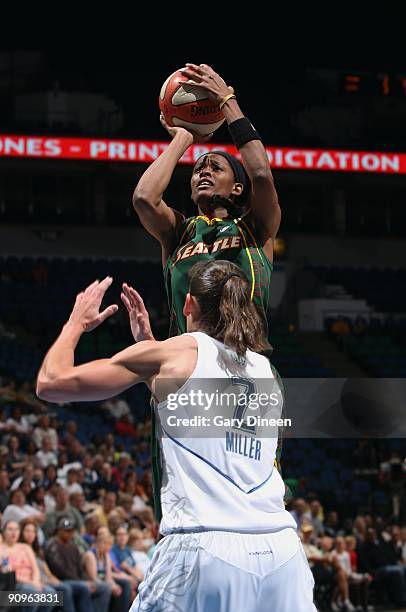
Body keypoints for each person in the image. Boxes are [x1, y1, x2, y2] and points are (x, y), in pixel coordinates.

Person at [36, 262, 316, 611]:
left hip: (206, 548)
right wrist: (152, 350)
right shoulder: (265, 371)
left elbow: (52, 384)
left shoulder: (173, 355)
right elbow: (201, 412)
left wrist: (75, 323)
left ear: (188, 304)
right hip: (282, 554)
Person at [131, 62, 283, 520]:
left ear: (234, 187)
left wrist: (228, 103)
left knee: (253, 500)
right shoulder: (178, 233)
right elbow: (143, 198)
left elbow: (262, 176)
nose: (201, 171)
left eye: (213, 167)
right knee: (181, 502)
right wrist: (184, 136)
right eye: (196, 168)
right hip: (187, 372)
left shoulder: (255, 227)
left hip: (246, 371)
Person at [0, 521, 55, 612]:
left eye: (16, 529)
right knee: (32, 592)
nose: (13, 532)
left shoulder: (25, 547)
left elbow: (35, 568)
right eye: (10, 529)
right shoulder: (1, 549)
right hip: (15, 583)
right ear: (4, 532)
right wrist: (30, 583)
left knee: (50, 593)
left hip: (32, 582)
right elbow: (8, 573)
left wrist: (35, 581)